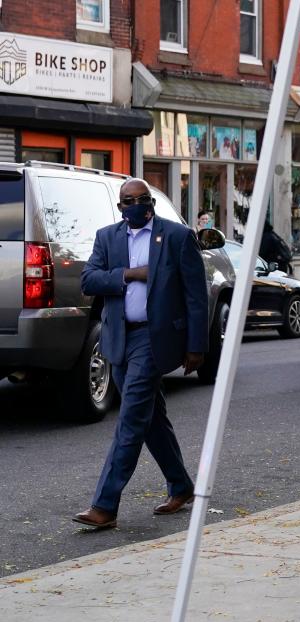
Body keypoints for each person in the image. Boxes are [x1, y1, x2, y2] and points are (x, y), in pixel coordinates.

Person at [73, 179, 207, 530]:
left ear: (152, 202)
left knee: (132, 417)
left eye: (143, 199)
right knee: (152, 419)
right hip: (120, 337)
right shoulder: (108, 237)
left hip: (155, 337)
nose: (138, 205)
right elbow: (89, 280)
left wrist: (196, 346)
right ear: (121, 207)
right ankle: (181, 485)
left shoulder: (177, 236)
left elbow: (196, 294)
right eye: (129, 201)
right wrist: (131, 275)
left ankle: (104, 506)